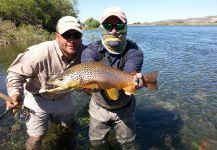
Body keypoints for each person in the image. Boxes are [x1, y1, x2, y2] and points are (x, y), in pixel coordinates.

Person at [6, 16, 85, 150]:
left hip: (64, 97)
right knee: (36, 138)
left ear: (81, 36)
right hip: (37, 99)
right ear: (57, 36)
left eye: (76, 35)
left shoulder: (86, 53)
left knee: (69, 127)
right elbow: (15, 74)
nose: (72, 40)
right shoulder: (38, 53)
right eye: (66, 35)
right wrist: (15, 94)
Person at [81, 6, 144, 149]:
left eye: (119, 25)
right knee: (96, 143)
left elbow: (128, 77)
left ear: (126, 27)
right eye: (108, 25)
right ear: (102, 27)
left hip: (125, 108)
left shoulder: (135, 52)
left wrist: (135, 83)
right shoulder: (90, 51)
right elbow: (90, 77)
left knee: (128, 143)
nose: (114, 30)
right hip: (99, 107)